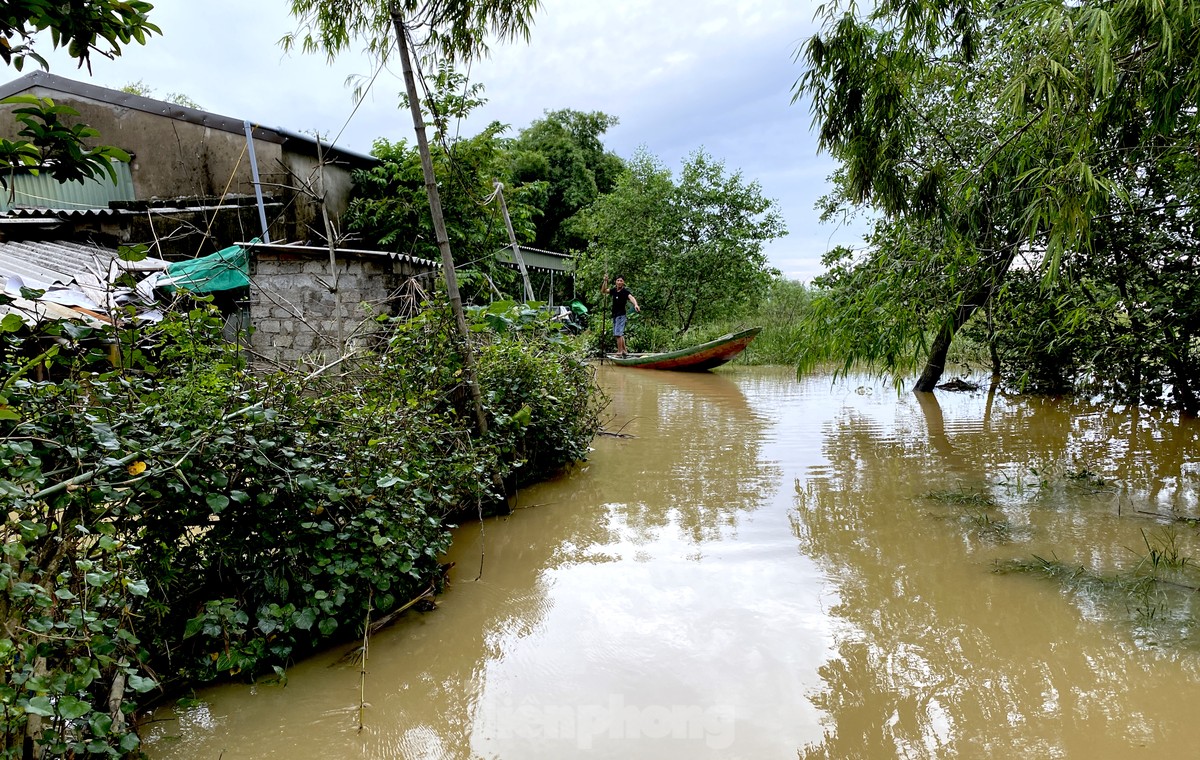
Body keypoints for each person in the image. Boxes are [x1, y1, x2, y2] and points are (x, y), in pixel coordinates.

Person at [601, 274, 640, 356]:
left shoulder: (625, 292)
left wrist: (636, 304)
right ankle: (624, 351)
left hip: (621, 315)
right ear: (616, 282)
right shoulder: (614, 290)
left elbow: (631, 297)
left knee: (618, 334)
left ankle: (619, 352)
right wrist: (605, 281)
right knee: (618, 334)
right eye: (618, 280)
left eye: (621, 281)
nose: (619, 282)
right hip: (615, 315)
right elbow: (604, 290)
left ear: (623, 282)